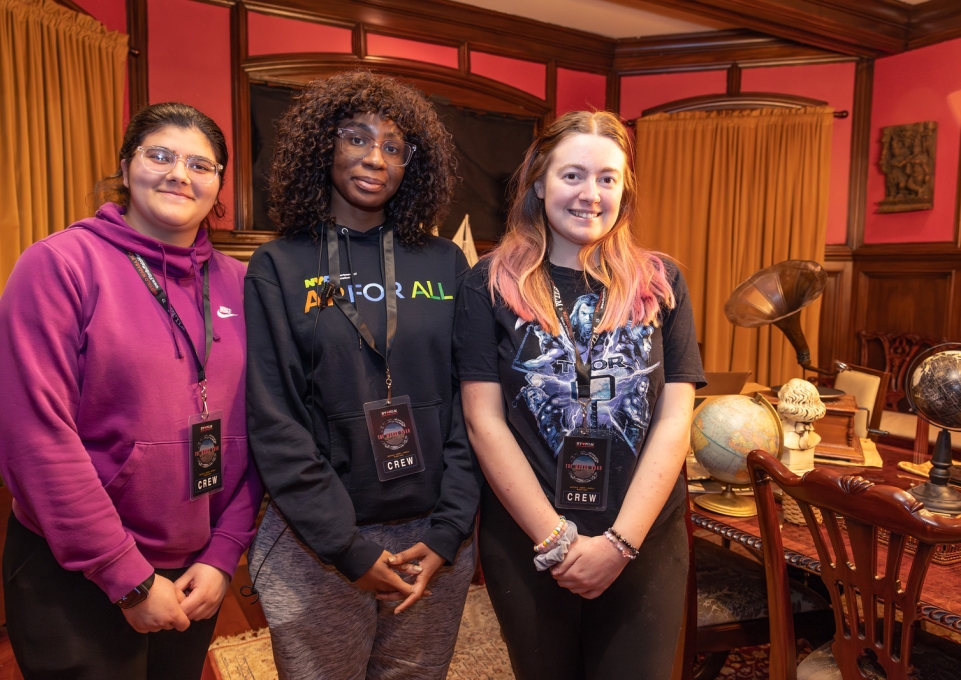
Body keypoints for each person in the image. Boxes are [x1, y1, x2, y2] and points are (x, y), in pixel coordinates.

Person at [0, 102, 263, 680]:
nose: (179, 174)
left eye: (200, 164)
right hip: (76, 569)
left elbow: (265, 430)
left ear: (219, 183)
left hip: (195, 570)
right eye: (160, 155)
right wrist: (127, 576)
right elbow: (34, 438)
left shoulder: (244, 284)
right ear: (125, 167)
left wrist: (224, 551)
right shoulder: (59, 265)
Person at [454, 110, 706, 680]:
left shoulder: (662, 283)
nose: (590, 194)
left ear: (624, 190)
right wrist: (556, 539)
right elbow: (482, 422)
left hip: (643, 540)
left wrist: (620, 543)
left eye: (607, 178)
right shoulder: (486, 284)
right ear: (540, 183)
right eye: (572, 175)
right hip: (529, 540)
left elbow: (675, 420)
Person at [245, 70, 479, 680]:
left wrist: (450, 530)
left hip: (434, 537)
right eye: (356, 137)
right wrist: (346, 547)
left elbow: (473, 405)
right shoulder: (279, 264)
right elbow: (275, 417)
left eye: (394, 147)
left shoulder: (446, 263)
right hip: (320, 541)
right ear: (323, 146)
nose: (375, 158)